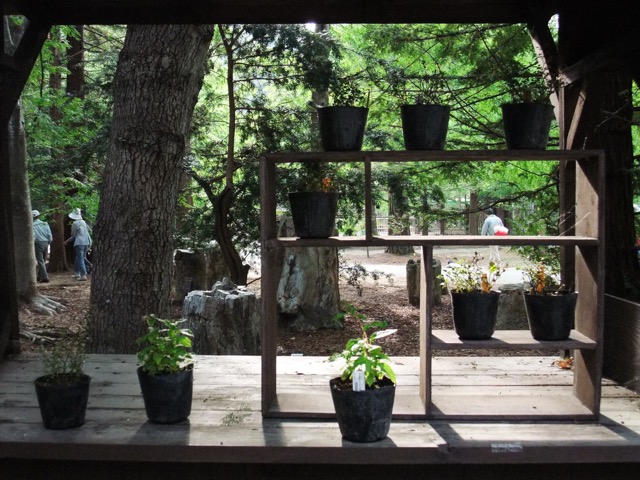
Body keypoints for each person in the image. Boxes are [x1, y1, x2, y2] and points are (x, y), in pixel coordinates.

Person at [65, 208, 92, 281]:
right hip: (86, 242)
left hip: (79, 243)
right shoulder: (83, 222)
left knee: (80, 258)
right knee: (79, 257)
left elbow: (73, 235)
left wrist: (66, 241)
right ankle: (77, 273)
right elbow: (89, 231)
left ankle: (83, 275)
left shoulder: (75, 223)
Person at [32, 210, 53, 283]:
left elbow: (33, 236)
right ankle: (39, 276)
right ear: (39, 216)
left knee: (40, 261)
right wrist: (49, 242)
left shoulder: (32, 225)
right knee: (43, 261)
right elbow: (49, 235)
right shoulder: (45, 224)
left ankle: (45, 277)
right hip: (46, 243)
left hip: (38, 243)